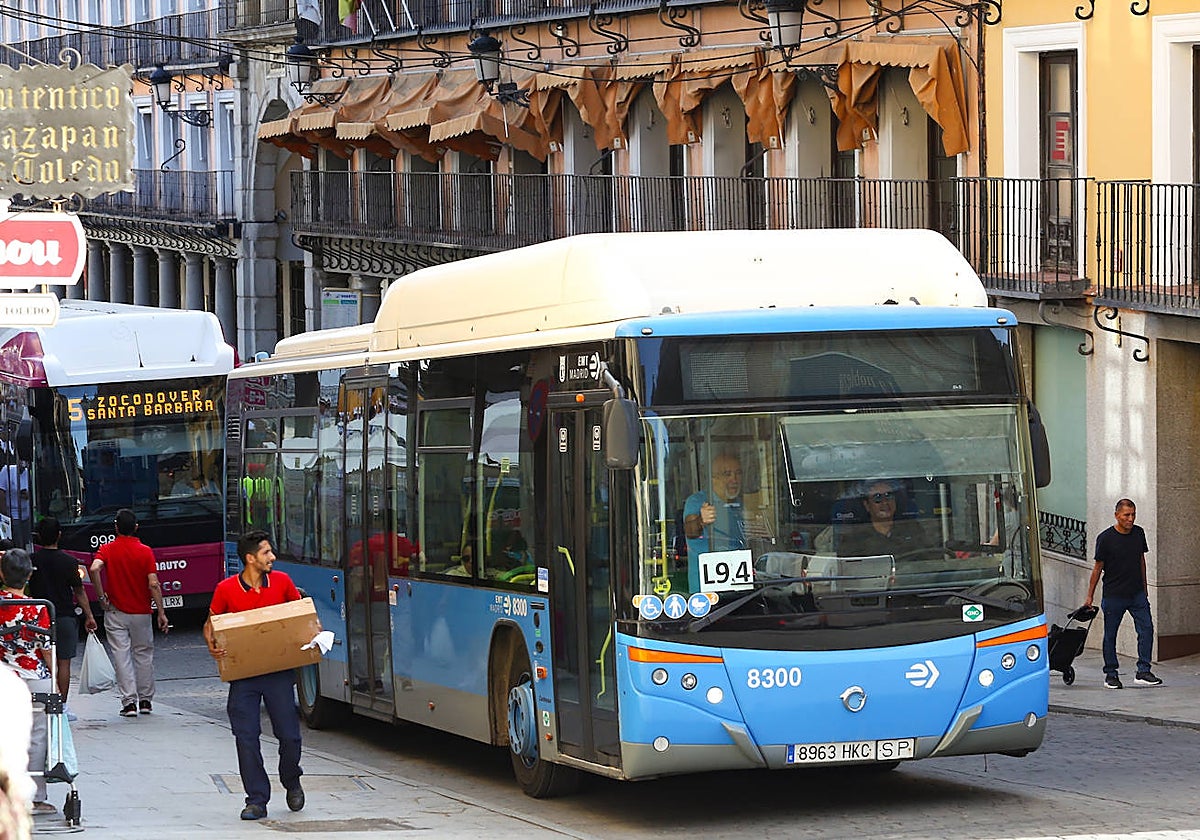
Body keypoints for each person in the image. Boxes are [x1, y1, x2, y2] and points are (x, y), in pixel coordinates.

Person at [203, 530, 305, 821]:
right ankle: (256, 800)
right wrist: (212, 644)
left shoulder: (283, 583)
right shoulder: (226, 589)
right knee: (246, 737)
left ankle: (291, 778)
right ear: (250, 559)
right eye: (266, 553)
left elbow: (299, 615)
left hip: (278, 673)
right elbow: (211, 625)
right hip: (244, 675)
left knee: (289, 736)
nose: (272, 557)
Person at [88, 509, 168, 717]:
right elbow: (153, 583)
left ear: (116, 528)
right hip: (141, 611)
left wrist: (101, 596)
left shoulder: (107, 549)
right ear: (136, 527)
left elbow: (95, 568)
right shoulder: (145, 551)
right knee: (143, 655)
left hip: (115, 610)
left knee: (121, 655)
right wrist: (161, 611)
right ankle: (146, 701)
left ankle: (129, 702)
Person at [1084, 498, 1162, 689]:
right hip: (1114, 595)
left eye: (1133, 514)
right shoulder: (1105, 538)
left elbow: (1141, 560)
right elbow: (1097, 568)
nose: (1131, 518)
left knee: (1147, 629)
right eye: (1126, 515)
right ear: (1117, 515)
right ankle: (1111, 674)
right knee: (1110, 635)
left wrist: (1144, 588)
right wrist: (1089, 596)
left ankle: (1143, 671)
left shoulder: (1138, 533)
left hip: (1136, 594)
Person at [0, 548, 55, 816]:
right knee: (37, 738)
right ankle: (34, 795)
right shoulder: (38, 608)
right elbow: (47, 651)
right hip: (35, 681)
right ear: (29, 575)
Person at [28, 517, 97, 720]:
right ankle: (61, 707)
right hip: (65, 616)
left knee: (41, 661)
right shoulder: (69, 561)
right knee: (64, 663)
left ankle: (42, 702)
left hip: (38, 617)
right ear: (59, 535)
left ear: (39, 536)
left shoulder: (32, 561)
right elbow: (80, 591)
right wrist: (89, 616)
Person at [683, 451, 747, 591]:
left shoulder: (741, 505)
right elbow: (690, 531)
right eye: (727, 474)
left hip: (741, 589)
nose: (734, 479)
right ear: (713, 478)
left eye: (738, 473)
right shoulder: (697, 501)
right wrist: (701, 521)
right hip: (706, 595)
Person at [838, 480, 929, 558]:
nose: (884, 502)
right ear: (867, 505)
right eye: (877, 497)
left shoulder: (912, 528)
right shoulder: (854, 538)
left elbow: (928, 558)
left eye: (888, 496)